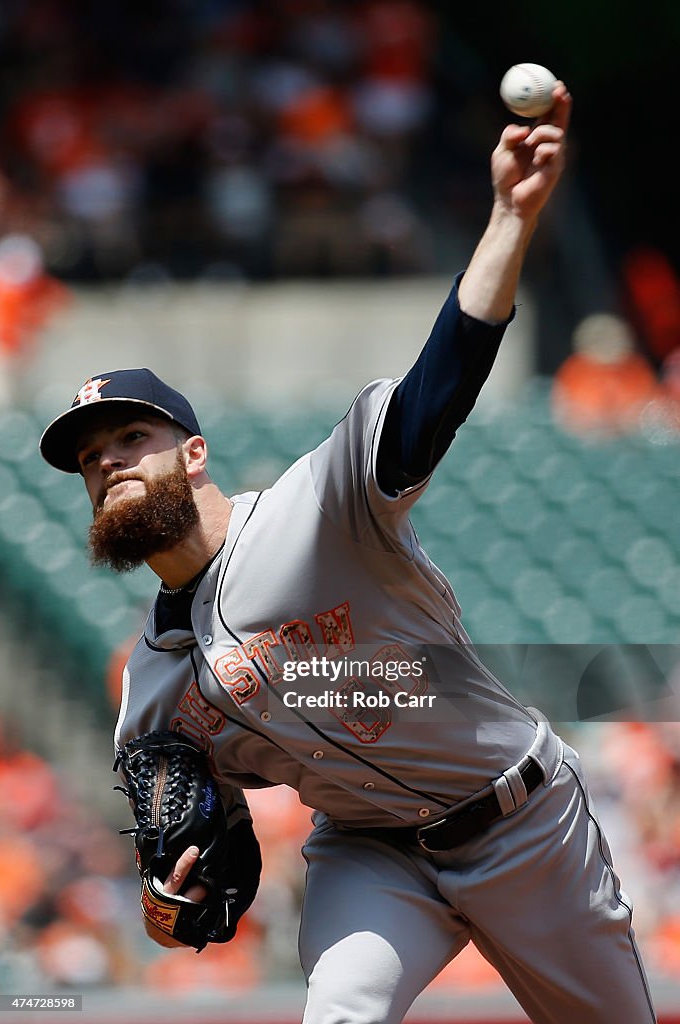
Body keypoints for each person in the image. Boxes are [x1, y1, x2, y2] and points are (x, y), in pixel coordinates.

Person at [39, 83, 657, 1024]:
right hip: (368, 852)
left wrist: (507, 217)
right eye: (91, 459)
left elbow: (438, 386)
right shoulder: (154, 685)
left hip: (520, 819)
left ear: (193, 453)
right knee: (338, 1015)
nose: (109, 464)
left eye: (131, 440)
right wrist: (176, 902)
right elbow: (196, 854)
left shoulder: (313, 512)